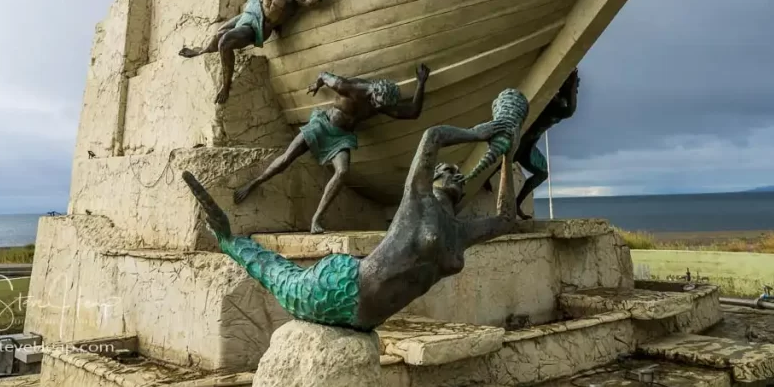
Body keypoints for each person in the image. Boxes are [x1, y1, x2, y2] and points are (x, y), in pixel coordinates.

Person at [179, 88, 528, 331]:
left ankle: (229, 240)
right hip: (343, 286)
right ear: (432, 179)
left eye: (458, 173)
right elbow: (433, 136)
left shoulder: (459, 233)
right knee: (278, 276)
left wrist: (507, 154)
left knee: (282, 278)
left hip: (365, 317)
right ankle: (229, 240)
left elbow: (506, 219)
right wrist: (477, 133)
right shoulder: (418, 199)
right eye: (447, 170)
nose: (455, 173)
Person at [233, 63, 431, 234]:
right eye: (376, 104)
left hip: (342, 138)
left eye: (381, 107)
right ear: (373, 93)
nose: (378, 109)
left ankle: (317, 219)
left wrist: (421, 83)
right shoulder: (350, 87)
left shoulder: (382, 101)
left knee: (343, 172)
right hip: (322, 125)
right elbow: (323, 75)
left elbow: (412, 112)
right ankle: (254, 183)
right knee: (287, 159)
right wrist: (316, 85)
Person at [178, 0, 322, 104]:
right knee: (219, 33)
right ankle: (201, 51)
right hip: (254, 9)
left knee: (225, 42)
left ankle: (226, 86)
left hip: (261, 27)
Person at [470, 69, 579, 219]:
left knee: (541, 173)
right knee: (505, 159)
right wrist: (572, 83)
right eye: (575, 88)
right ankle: (480, 178)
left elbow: (570, 109)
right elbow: (570, 110)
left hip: (530, 143)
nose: (576, 92)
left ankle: (516, 204)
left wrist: (572, 83)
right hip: (522, 138)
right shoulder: (553, 103)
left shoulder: (558, 103)